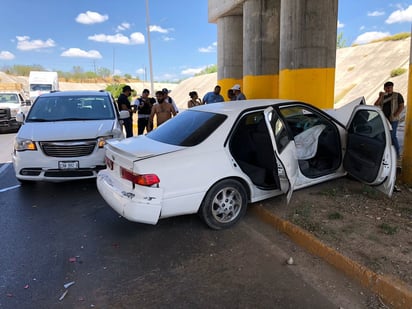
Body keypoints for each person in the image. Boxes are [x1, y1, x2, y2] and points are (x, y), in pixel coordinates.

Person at [373, 81, 405, 159]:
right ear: (384, 88)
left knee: (392, 136)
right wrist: (380, 96)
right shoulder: (382, 96)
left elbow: (401, 106)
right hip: (384, 120)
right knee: (384, 136)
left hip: (393, 120)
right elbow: (376, 105)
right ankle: (387, 154)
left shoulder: (397, 95)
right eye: (387, 88)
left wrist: (395, 115)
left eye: (390, 87)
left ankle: (397, 155)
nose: (389, 89)